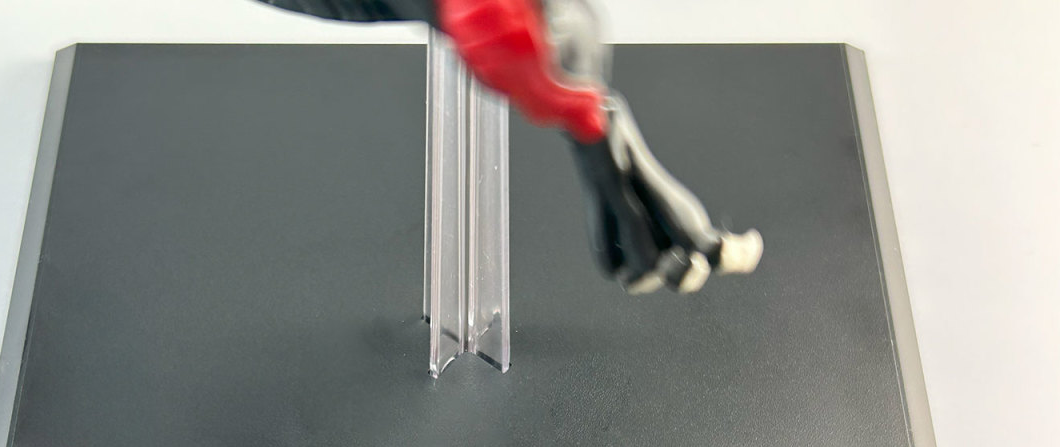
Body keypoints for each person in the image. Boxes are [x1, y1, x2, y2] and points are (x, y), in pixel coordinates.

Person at [253, 0, 763, 293]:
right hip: (540, 50)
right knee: (613, 160)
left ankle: (685, 253)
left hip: (545, 50)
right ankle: (689, 252)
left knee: (613, 162)